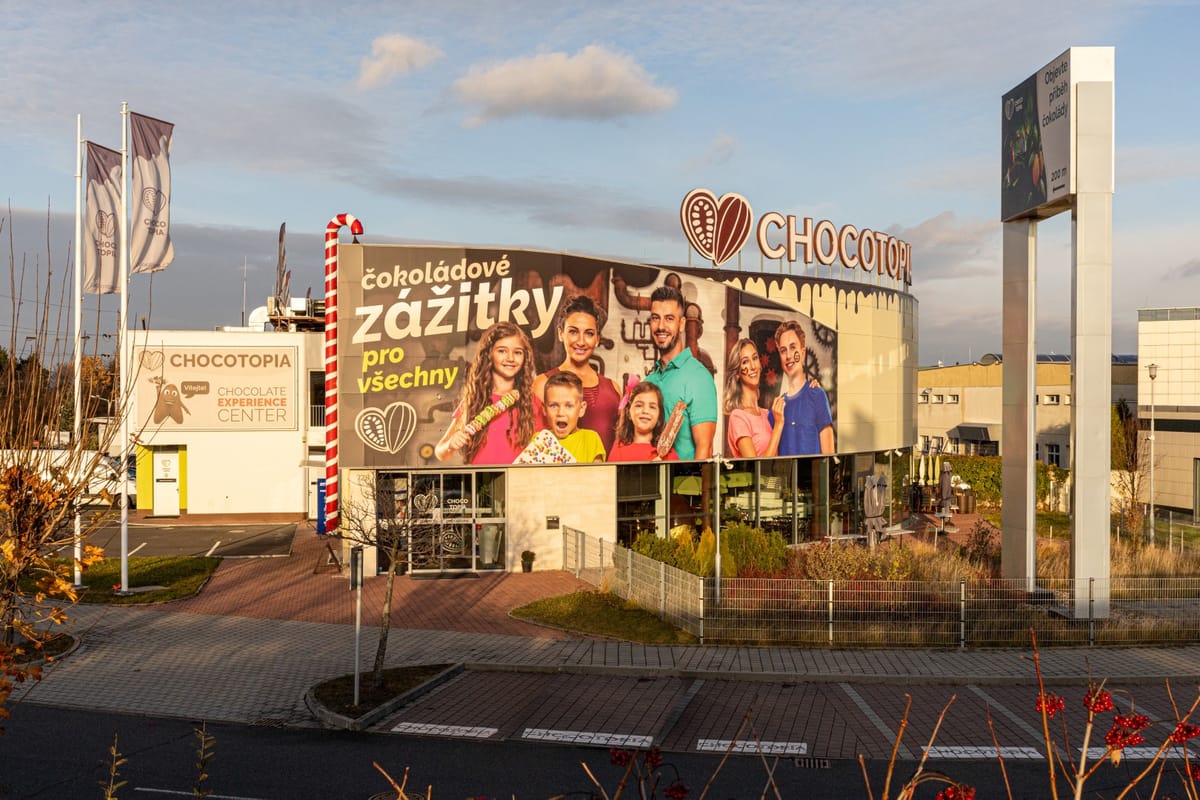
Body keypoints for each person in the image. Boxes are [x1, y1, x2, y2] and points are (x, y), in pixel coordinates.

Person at [434, 321, 544, 464]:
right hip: (481, 481)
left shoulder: (532, 403)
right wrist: (450, 445)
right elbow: (440, 452)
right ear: (489, 354)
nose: (510, 358)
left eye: (517, 352)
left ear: (525, 358)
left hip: (518, 483)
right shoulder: (474, 401)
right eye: (502, 351)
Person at [532, 295, 622, 453]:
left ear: (597, 339)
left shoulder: (613, 389)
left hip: (608, 476)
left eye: (589, 333)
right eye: (573, 332)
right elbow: (535, 447)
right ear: (561, 333)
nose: (581, 341)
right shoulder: (542, 384)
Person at [641, 285, 717, 460]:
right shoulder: (649, 381)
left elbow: (704, 450)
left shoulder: (699, 377)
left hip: (684, 485)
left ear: (681, 323)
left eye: (669, 318)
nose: (661, 326)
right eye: (655, 318)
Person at [769, 320, 834, 455]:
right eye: (783, 350)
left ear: (803, 353)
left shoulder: (817, 396)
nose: (788, 356)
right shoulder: (776, 409)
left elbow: (829, 457)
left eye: (793, 348)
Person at [722, 338, 785, 457]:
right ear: (737, 374)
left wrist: (812, 387)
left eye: (755, 358)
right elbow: (756, 468)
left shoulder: (768, 414)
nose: (752, 366)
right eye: (745, 361)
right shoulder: (738, 417)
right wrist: (778, 426)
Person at [608, 380, 679, 462]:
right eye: (639, 405)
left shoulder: (668, 453)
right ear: (629, 413)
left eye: (652, 407)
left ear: (659, 416)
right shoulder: (619, 447)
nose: (645, 411)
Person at [543, 371, 605, 462]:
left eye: (569, 406)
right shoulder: (540, 439)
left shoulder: (591, 440)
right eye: (554, 405)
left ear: (581, 409)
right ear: (544, 410)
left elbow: (599, 475)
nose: (561, 413)